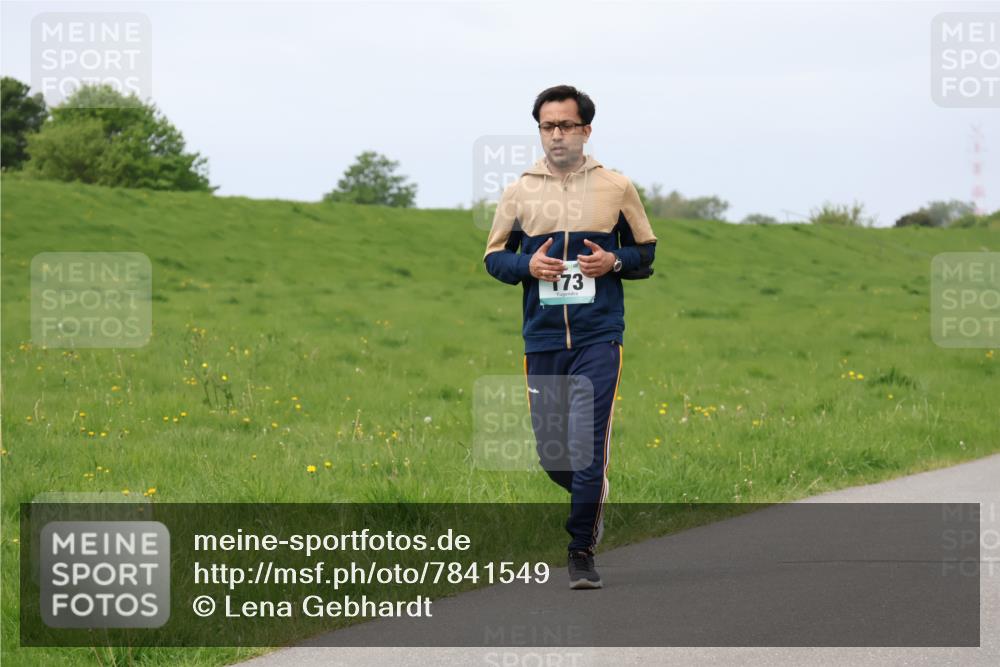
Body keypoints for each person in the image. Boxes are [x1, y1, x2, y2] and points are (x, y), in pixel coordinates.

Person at [482, 84, 657, 589]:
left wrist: (615, 260)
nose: (556, 134)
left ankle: (580, 549)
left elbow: (645, 253)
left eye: (565, 125)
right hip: (541, 339)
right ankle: (592, 488)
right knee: (554, 455)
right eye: (546, 126)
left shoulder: (616, 187)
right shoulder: (519, 191)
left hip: (598, 336)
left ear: (585, 130)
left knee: (587, 447)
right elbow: (494, 258)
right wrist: (527, 264)